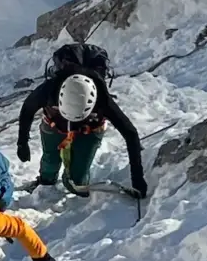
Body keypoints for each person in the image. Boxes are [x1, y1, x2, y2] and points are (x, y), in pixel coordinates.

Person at [17, 67, 146, 198]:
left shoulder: (103, 100)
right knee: (50, 160)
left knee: (78, 177)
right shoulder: (48, 90)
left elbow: (130, 133)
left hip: (89, 129)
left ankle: (77, 189)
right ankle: (45, 181)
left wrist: (137, 179)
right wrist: (22, 143)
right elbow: (28, 109)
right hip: (54, 124)